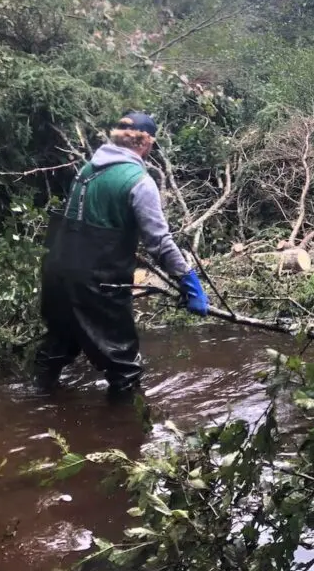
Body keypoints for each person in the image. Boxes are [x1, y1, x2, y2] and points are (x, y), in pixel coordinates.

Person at [34, 111, 209, 399]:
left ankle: (34, 410)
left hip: (55, 271)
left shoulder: (87, 170)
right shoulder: (139, 181)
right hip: (97, 282)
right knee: (123, 367)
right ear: (146, 143)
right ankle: (126, 437)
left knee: (58, 346)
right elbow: (159, 242)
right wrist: (189, 281)